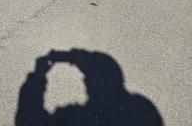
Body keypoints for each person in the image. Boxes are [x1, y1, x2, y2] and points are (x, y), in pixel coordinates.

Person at [15, 49, 163, 126]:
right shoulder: (142, 108)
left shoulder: (75, 118)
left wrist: (37, 76)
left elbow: (27, 117)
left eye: (88, 77)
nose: (84, 79)